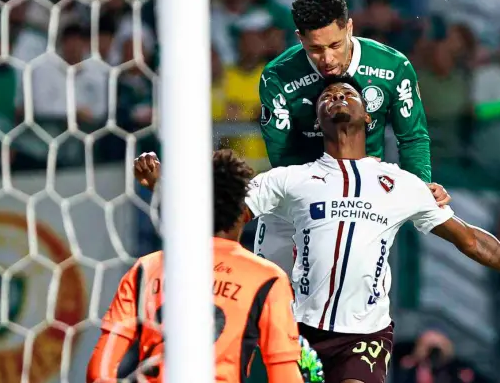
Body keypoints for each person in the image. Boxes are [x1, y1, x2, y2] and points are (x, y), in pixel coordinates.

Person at [244, 76, 500, 383]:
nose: (337, 97)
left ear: (369, 118)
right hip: (298, 328)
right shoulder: (288, 179)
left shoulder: (401, 184)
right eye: (327, 97)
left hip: (363, 335)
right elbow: (229, 214)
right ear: (317, 122)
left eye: (348, 94)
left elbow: (470, 239)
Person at [256, 0, 449, 274]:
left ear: (349, 27)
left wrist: (420, 187)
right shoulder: (278, 77)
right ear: (299, 38)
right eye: (315, 49)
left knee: (353, 301)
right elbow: (283, 155)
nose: (328, 59)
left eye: (334, 45)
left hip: (363, 203)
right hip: (294, 201)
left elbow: (411, 137)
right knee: (271, 293)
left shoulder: (392, 67)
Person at [87, 150, 325, 383]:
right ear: (244, 212)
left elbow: (99, 371)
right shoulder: (267, 279)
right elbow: (283, 375)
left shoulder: (146, 269)